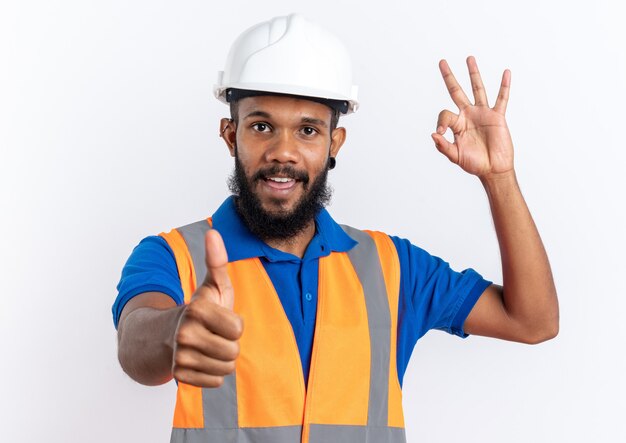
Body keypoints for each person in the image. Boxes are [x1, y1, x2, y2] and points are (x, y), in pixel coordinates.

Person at [113, 13, 559, 443]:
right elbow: (136, 346)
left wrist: (499, 179)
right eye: (261, 126)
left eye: (307, 130)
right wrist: (177, 330)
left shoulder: (392, 268)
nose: (282, 152)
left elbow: (532, 321)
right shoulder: (175, 255)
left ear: (334, 143)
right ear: (231, 136)